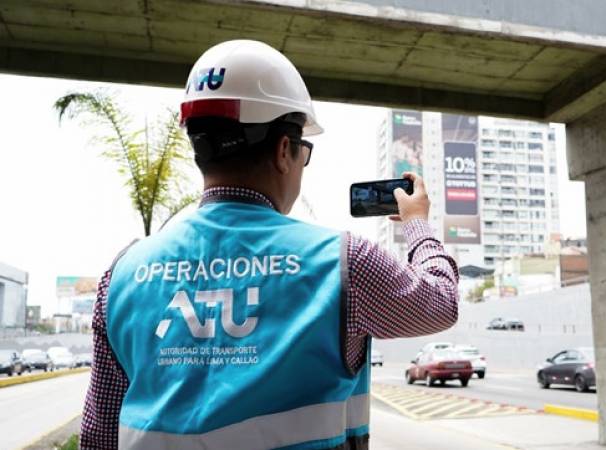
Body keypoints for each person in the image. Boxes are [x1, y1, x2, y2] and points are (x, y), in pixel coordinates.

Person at [80, 40, 459, 450]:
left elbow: (98, 436)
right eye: (303, 152)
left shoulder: (121, 276)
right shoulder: (344, 264)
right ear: (284, 150)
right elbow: (440, 303)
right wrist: (416, 224)